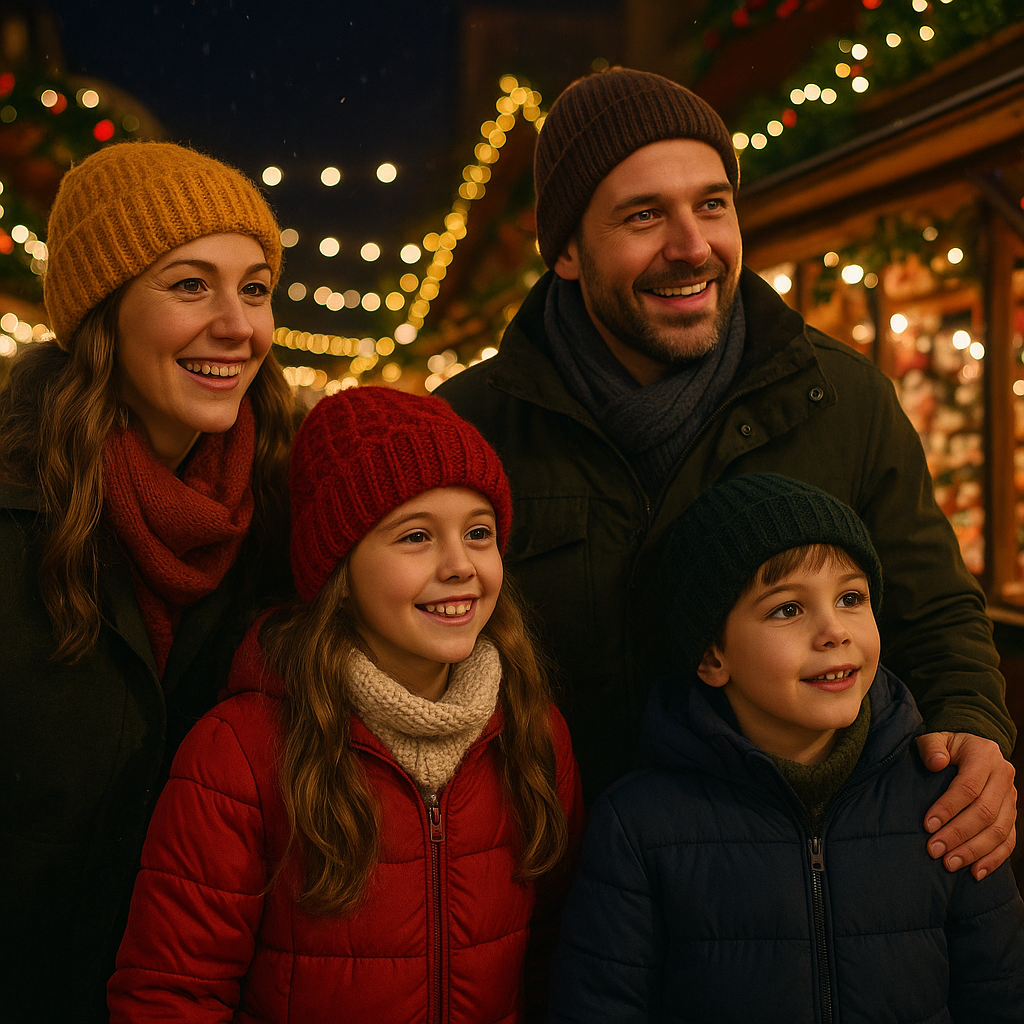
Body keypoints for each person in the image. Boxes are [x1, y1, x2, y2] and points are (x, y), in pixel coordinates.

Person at [438, 67, 1017, 875]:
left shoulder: (842, 400)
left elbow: (937, 615)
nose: (692, 246)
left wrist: (975, 725)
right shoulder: (471, 427)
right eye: (644, 215)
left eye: (712, 204)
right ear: (566, 249)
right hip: (550, 898)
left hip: (802, 899)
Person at [106, 387, 584, 1023]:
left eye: (479, 532)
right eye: (415, 536)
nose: (460, 565)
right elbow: (170, 995)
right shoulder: (241, 754)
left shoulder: (532, 731)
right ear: (339, 569)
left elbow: (559, 953)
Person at [0, 142, 298, 1023]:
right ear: (101, 314)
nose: (238, 326)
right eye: (189, 284)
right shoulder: (15, 514)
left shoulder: (279, 515)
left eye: (254, 288)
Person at [547, 473, 1024, 1024]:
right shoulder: (637, 827)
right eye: (787, 609)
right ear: (712, 657)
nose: (833, 631)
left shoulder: (942, 799)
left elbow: (1000, 994)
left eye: (851, 598)